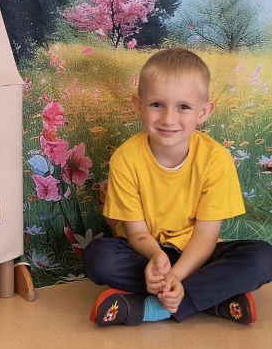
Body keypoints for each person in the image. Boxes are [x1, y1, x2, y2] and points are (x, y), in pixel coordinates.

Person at [83, 47, 272, 326]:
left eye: (183, 107)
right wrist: (157, 259)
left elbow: (206, 238)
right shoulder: (125, 158)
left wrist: (176, 275)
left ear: (203, 112)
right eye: (156, 104)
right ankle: (213, 299)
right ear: (138, 106)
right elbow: (137, 233)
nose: (168, 119)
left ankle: (151, 307)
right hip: (146, 254)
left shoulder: (216, 160)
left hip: (198, 254)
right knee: (98, 257)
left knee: (263, 258)